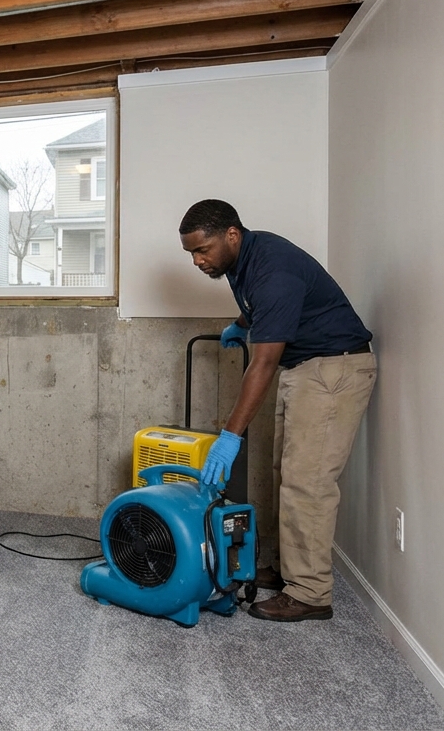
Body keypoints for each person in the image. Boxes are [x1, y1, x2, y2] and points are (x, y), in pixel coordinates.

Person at [180, 199, 376, 622]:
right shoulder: (243, 262)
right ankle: (292, 571)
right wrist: (242, 324)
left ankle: (310, 593)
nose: (197, 261)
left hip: (332, 370)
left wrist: (229, 437)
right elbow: (262, 308)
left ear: (232, 234)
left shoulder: (273, 268)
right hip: (307, 369)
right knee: (286, 474)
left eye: (202, 250)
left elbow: (263, 362)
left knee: (307, 482)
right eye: (191, 253)